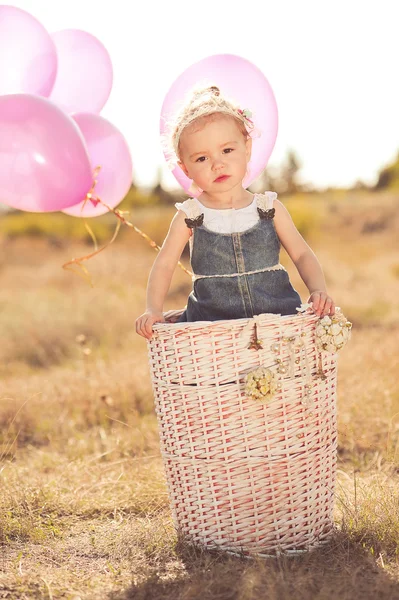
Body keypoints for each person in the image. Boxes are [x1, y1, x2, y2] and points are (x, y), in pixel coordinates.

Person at [136, 86, 335, 340]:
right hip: (212, 331)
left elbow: (302, 254)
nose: (217, 164)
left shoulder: (268, 208)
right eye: (201, 159)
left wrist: (318, 290)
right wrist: (153, 309)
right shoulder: (190, 215)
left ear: (247, 148)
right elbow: (164, 265)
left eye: (227, 150)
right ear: (185, 169)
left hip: (277, 322)